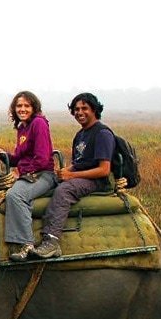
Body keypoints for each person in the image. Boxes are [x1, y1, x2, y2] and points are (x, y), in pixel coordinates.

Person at [31, 92, 115, 259]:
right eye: (76, 109)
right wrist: (66, 171)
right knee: (47, 179)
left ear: (94, 110)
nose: (79, 112)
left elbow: (104, 169)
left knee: (64, 190)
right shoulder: (81, 134)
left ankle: (52, 241)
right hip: (81, 175)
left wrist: (71, 177)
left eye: (84, 108)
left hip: (97, 181)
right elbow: (80, 161)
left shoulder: (102, 133)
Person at [0, 91, 56, 262]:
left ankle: (26, 243)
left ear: (34, 107)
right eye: (19, 106)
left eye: (26, 106)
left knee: (16, 195)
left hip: (43, 175)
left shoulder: (38, 124)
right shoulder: (23, 127)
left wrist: (20, 173)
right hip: (29, 173)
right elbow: (21, 157)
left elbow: (42, 158)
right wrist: (5, 156)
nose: (22, 109)